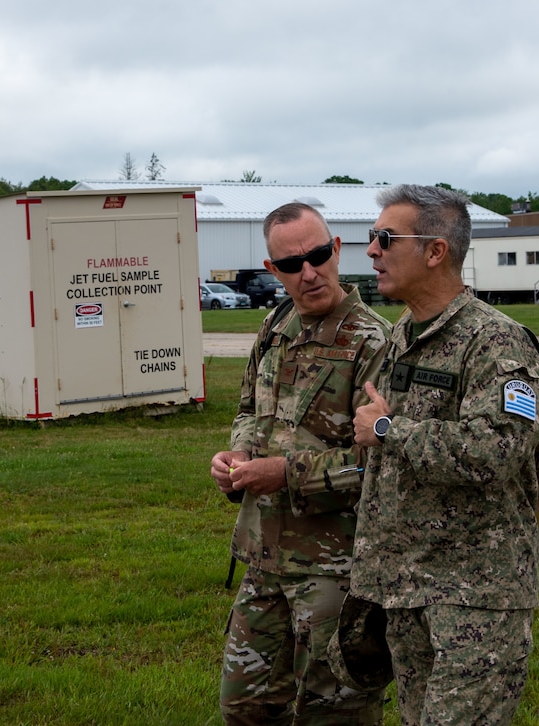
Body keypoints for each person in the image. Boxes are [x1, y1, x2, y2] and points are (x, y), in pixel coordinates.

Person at [351, 184, 539, 725]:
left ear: (436, 251)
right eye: (373, 237)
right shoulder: (401, 337)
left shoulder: (497, 342)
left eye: (386, 238)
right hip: (406, 588)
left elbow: (497, 449)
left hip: (476, 597)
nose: (371, 250)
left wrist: (389, 428)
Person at [211, 202, 391, 725]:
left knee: (333, 712)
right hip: (264, 555)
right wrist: (237, 456)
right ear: (273, 271)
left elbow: (376, 465)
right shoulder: (275, 325)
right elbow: (251, 408)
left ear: (337, 250)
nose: (308, 272)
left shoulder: (372, 342)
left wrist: (283, 474)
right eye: (291, 264)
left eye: (317, 255)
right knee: (244, 706)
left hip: (336, 569)